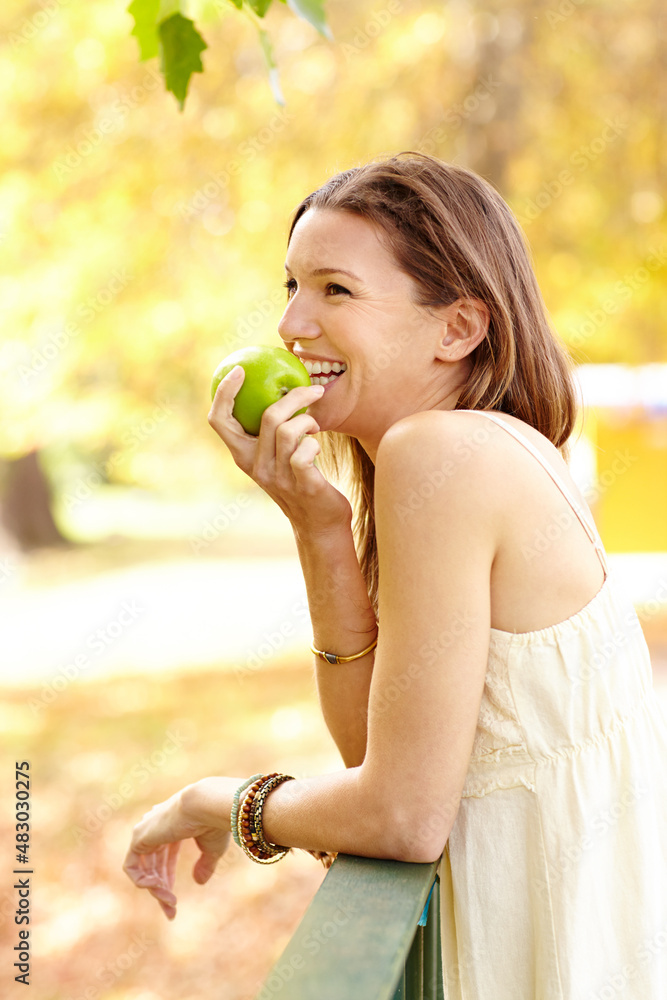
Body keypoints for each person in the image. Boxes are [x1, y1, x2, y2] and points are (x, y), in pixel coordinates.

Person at [123, 152, 667, 999]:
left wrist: (213, 799)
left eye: (335, 290)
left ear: (457, 329)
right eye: (291, 286)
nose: (292, 325)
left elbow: (401, 818)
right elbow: (376, 758)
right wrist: (319, 527)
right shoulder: (474, 453)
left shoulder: (440, 452)